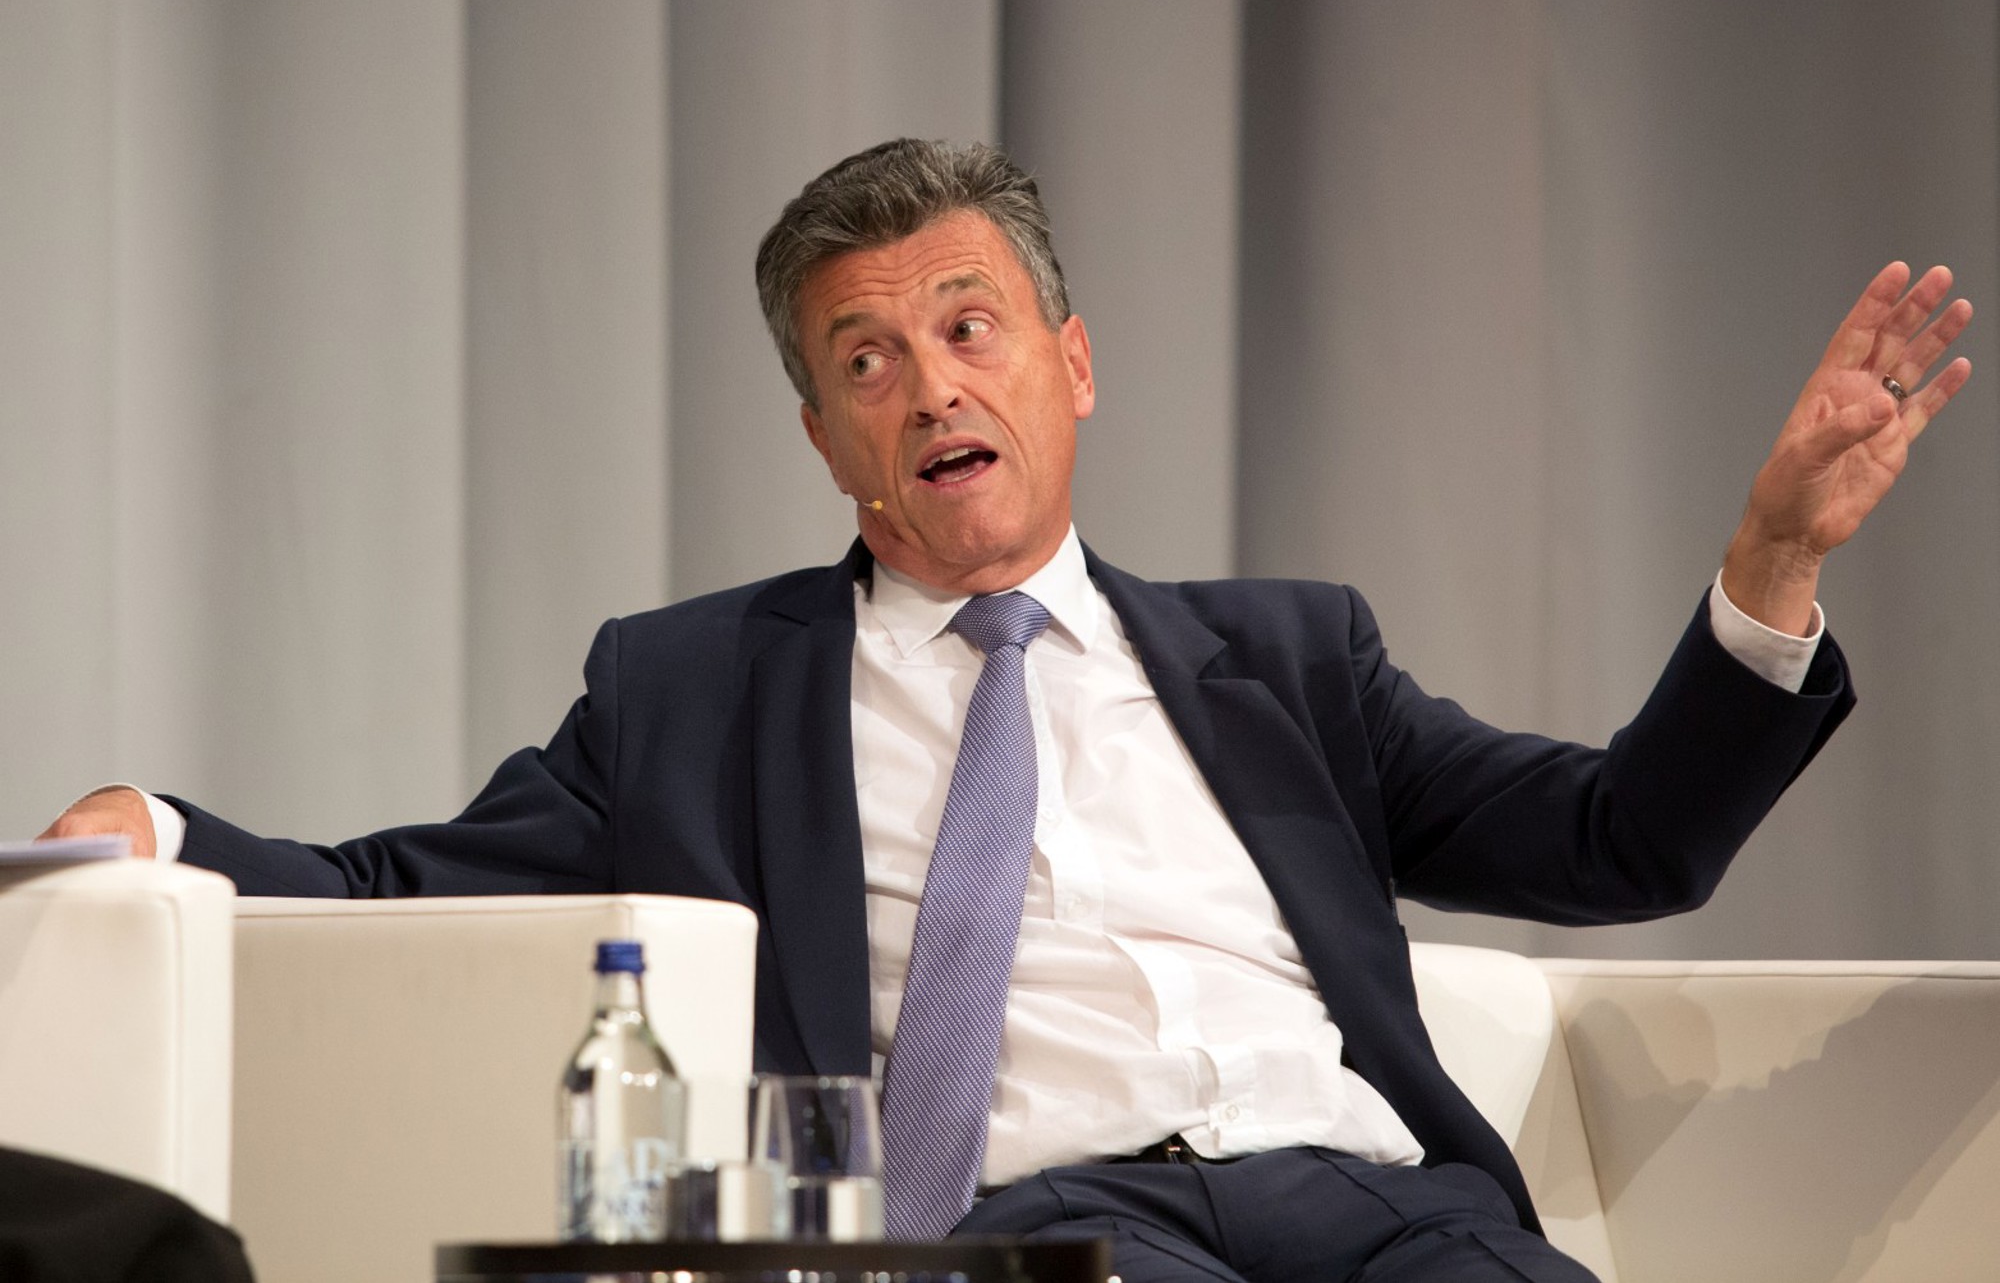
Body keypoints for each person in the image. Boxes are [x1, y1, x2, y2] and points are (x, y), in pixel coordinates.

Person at [40, 139, 1974, 1281]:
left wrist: (1773, 557)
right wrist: (171, 834)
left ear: (1071, 364)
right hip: (1056, 1233)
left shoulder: (1292, 658)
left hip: (1380, 1205)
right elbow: (406, 883)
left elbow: (1626, 841)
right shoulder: (697, 689)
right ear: (825, 437)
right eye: (866, 359)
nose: (931, 385)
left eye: (968, 327)